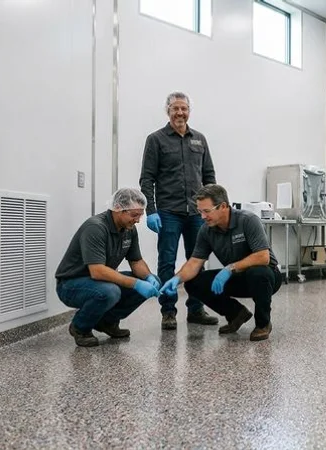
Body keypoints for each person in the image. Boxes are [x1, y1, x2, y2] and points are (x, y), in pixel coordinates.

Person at [158, 184, 282, 341]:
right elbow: (195, 262)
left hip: (267, 277)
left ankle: (263, 324)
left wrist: (230, 268)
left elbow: (263, 257)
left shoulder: (248, 220)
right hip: (236, 277)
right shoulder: (206, 230)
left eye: (207, 211)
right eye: (200, 211)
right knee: (193, 282)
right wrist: (177, 279)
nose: (202, 216)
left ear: (223, 206)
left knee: (258, 272)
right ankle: (236, 314)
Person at [139, 91, 218, 330]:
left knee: (198, 260)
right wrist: (150, 211)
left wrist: (210, 208)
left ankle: (196, 309)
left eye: (184, 108)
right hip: (168, 212)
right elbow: (147, 178)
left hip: (197, 214)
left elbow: (209, 176)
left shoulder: (200, 140)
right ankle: (168, 311)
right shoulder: (156, 139)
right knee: (167, 261)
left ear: (189, 112)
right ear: (168, 111)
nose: (180, 113)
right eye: (175, 108)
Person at [55, 188, 161, 347]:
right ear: (118, 209)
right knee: (110, 291)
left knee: (149, 279)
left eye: (140, 215)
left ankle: (107, 322)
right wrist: (136, 284)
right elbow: (97, 271)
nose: (138, 220)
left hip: (99, 281)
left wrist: (148, 278)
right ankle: (80, 327)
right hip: (71, 285)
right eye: (134, 215)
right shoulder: (95, 227)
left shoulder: (129, 230)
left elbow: (136, 261)